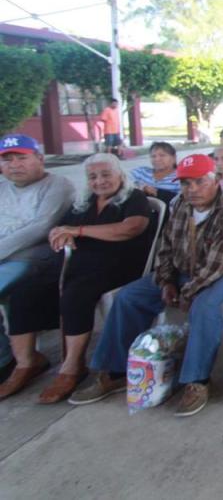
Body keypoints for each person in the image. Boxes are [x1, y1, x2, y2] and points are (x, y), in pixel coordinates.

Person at [69, 154, 223, 416]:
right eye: (186, 183)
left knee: (204, 305)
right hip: (185, 269)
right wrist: (166, 281)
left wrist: (187, 291)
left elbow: (218, 264)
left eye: (200, 182)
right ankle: (116, 372)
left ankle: (197, 380)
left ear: (216, 181)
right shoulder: (181, 204)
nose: (192, 189)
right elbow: (165, 248)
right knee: (129, 297)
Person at [0, 154, 155, 402]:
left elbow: (131, 228)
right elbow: (60, 227)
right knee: (25, 291)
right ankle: (26, 362)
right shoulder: (84, 201)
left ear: (119, 174)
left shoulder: (133, 197)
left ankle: (72, 366)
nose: (99, 181)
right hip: (77, 264)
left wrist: (79, 231)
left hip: (118, 265)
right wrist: (61, 234)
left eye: (106, 174)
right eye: (93, 176)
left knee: (76, 293)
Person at [0, 135, 75, 385]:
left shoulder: (57, 185)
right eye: (7, 160)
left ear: (40, 159)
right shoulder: (2, 188)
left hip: (34, 260)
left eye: (21, 158)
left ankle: (8, 362)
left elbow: (41, 228)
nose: (14, 165)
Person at [131, 141, 180, 206]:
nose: (157, 159)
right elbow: (123, 182)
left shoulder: (180, 177)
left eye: (162, 155)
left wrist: (158, 193)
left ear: (174, 157)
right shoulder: (141, 172)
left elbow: (181, 201)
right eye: (153, 156)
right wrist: (143, 187)